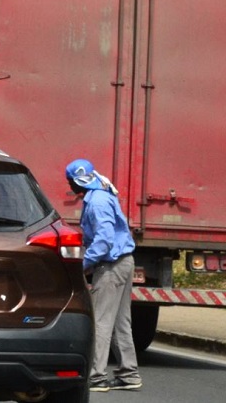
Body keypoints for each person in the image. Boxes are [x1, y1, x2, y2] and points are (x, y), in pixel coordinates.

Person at [65, 158, 142, 393]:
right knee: (120, 322)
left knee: (100, 321)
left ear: (76, 182)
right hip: (124, 262)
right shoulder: (101, 193)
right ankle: (129, 373)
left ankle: (96, 376)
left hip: (111, 267)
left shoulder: (97, 202)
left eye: (70, 182)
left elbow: (104, 239)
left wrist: (85, 264)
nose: (70, 187)